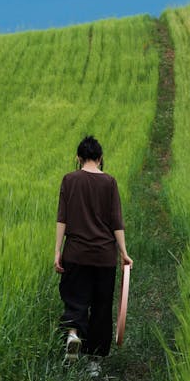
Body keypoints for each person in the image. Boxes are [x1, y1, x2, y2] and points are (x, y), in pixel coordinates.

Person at [55, 135, 133, 366]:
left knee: (75, 299)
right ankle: (94, 363)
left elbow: (62, 219)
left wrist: (57, 251)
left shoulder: (69, 180)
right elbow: (116, 222)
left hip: (76, 254)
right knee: (101, 307)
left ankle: (73, 335)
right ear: (100, 158)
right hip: (104, 257)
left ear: (78, 158)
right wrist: (123, 252)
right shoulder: (109, 182)